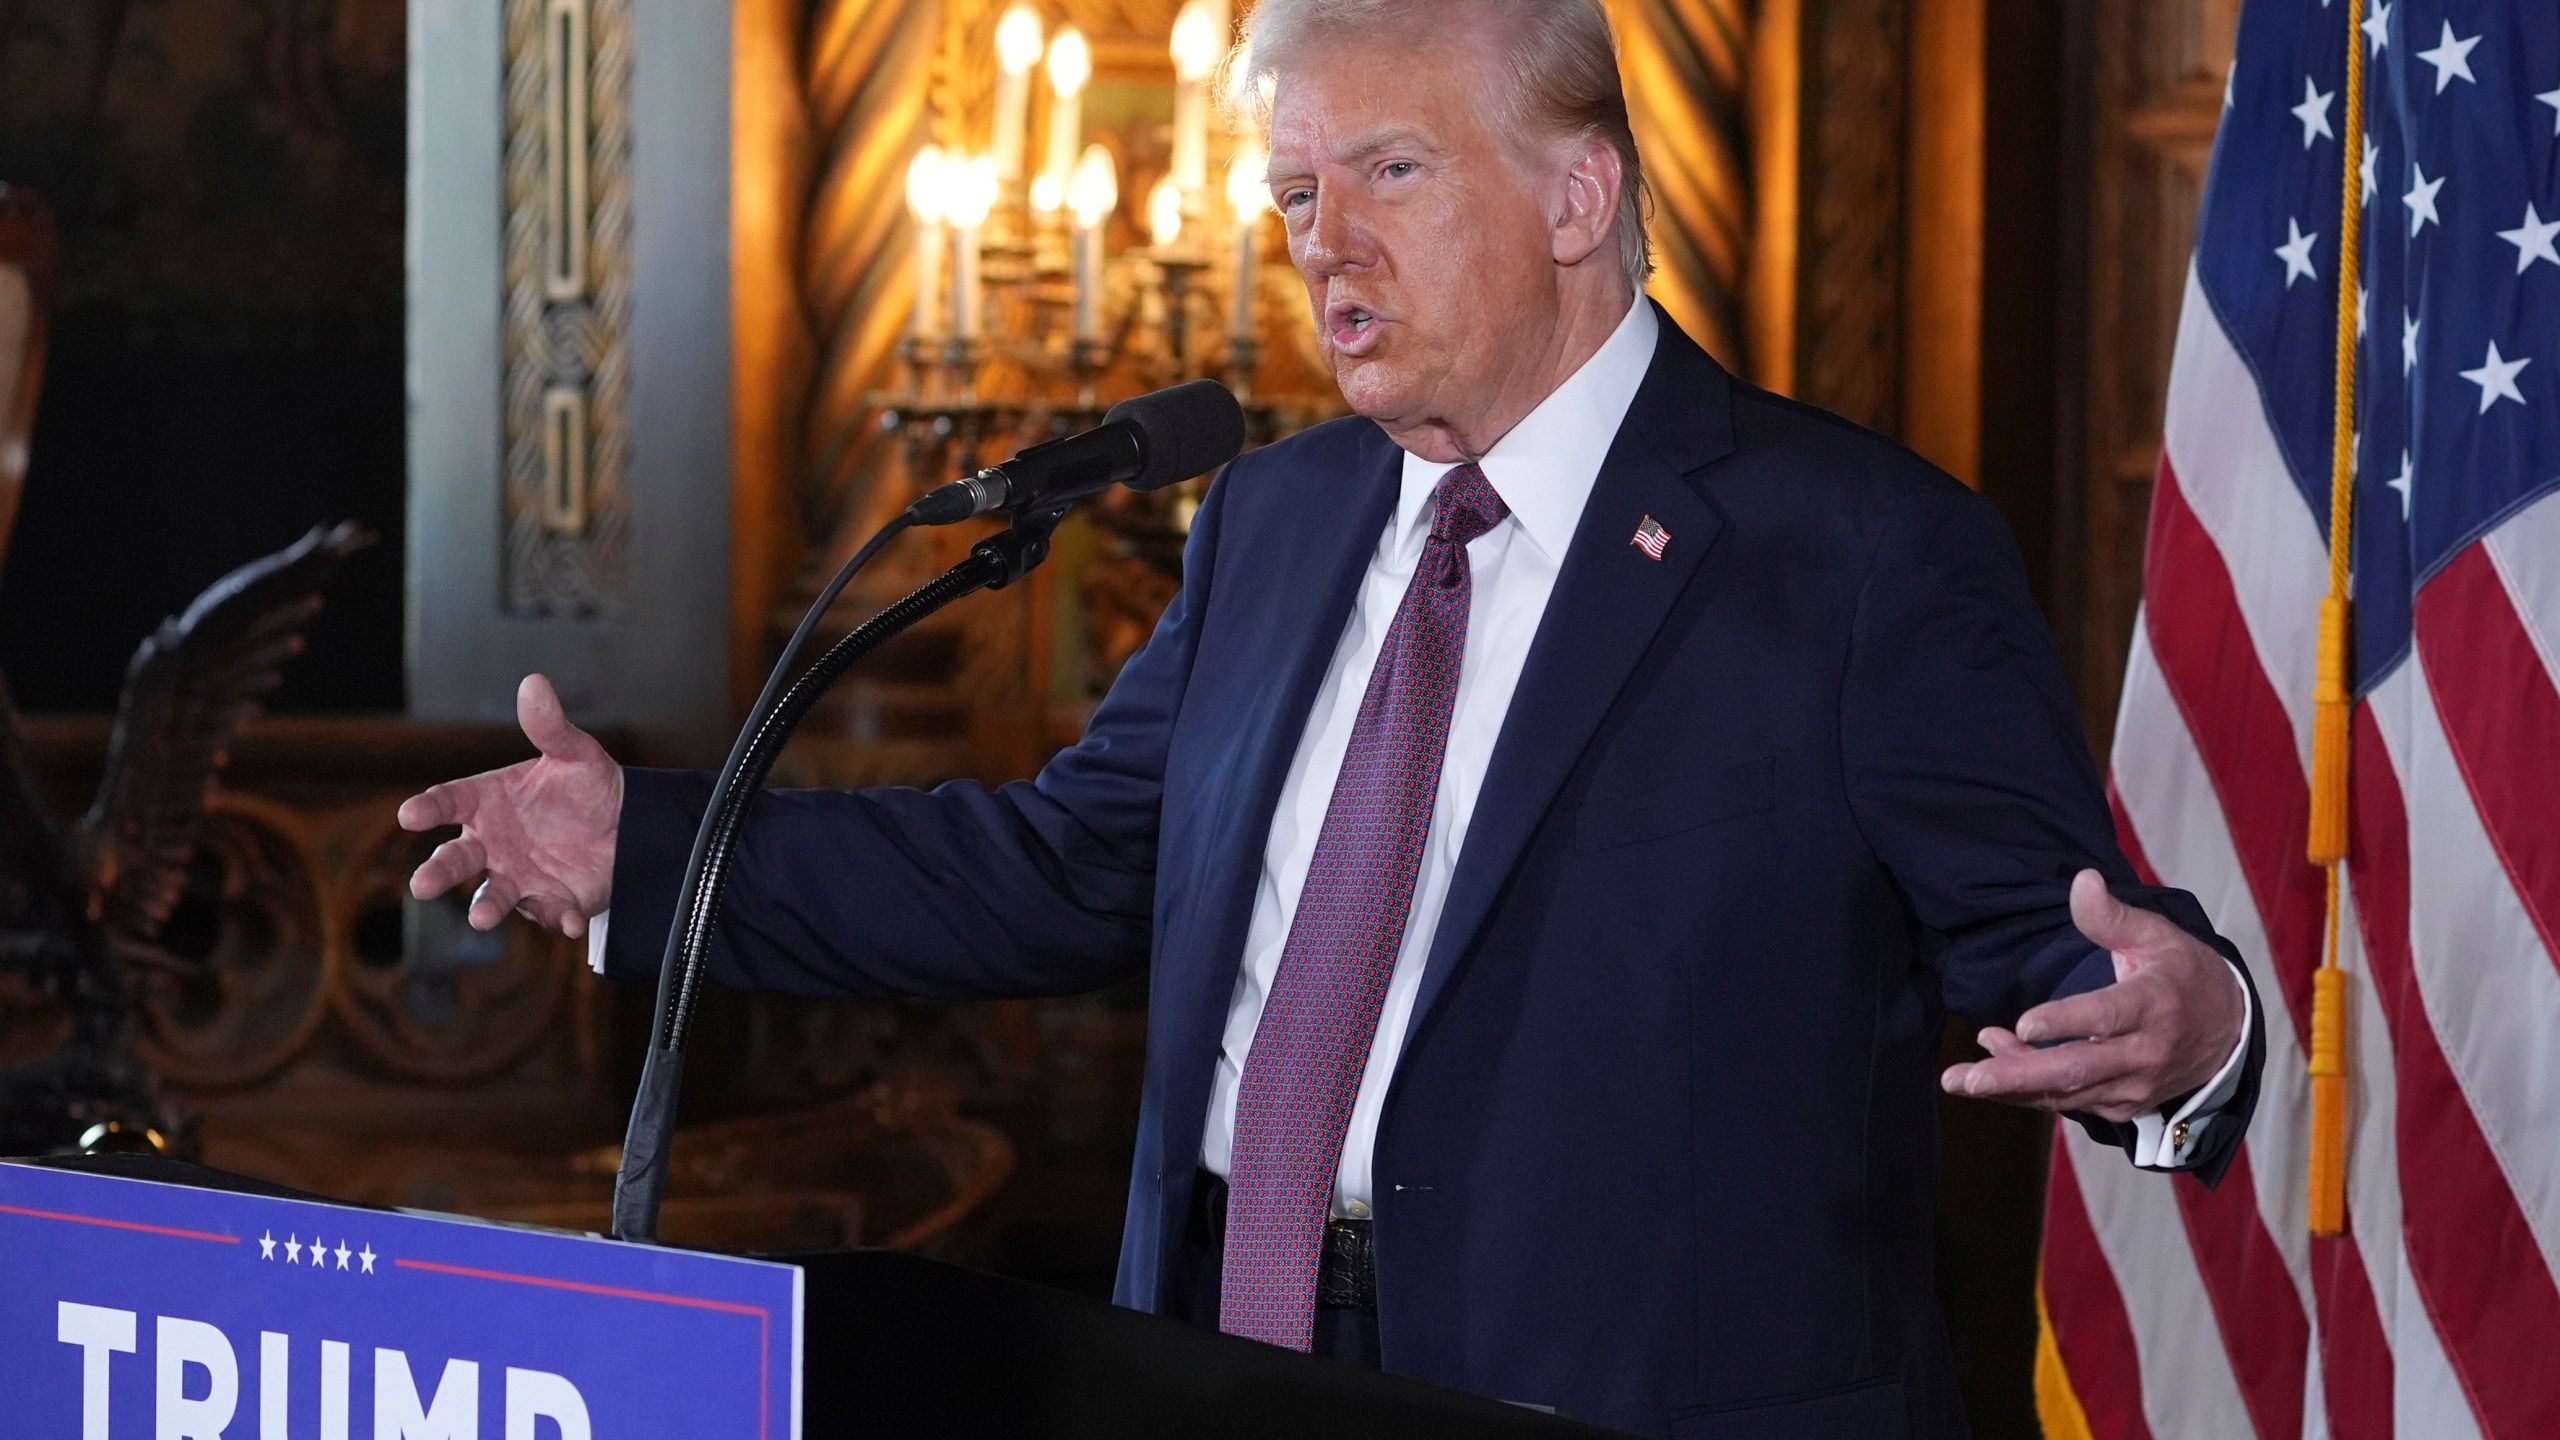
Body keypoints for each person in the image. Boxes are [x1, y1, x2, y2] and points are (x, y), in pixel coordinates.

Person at [399, 2, 2260, 1434]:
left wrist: (2186, 1028)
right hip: (1239, 1345)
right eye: (1294, 193)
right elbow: (1064, 864)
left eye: (1388, 172)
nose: (1320, 241)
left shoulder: (1859, 552)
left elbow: (2057, 939)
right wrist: (651, 849)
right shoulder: (1276, 518)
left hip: (1628, 1392)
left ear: (1576, 195)